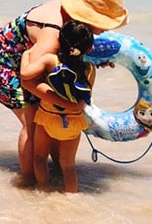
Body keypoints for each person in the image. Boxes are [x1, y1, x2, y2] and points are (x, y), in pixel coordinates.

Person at [0, 0, 129, 184]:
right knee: (32, 123)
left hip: (32, 56)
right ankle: (28, 183)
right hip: (6, 60)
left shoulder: (70, 21)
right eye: (105, 23)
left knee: (48, 116)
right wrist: (68, 105)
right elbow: (28, 80)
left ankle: (54, 174)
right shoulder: (52, 37)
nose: (106, 30)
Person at [20, 20, 96, 193]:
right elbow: (86, 95)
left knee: (39, 158)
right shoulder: (90, 69)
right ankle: (72, 198)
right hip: (74, 124)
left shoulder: (50, 61)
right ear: (89, 49)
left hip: (47, 118)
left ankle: (43, 189)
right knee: (68, 166)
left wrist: (26, 54)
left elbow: (25, 74)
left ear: (59, 41)